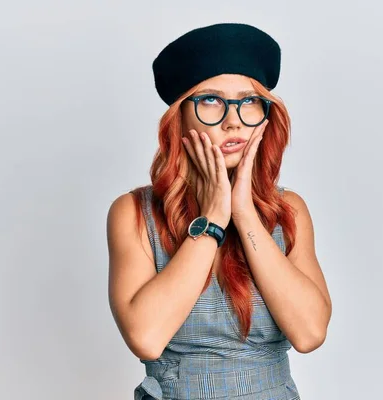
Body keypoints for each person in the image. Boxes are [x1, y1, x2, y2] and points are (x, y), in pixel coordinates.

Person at [106, 22, 332, 400]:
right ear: (179, 117)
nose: (233, 120)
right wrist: (213, 217)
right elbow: (146, 337)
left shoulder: (288, 211)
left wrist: (243, 212)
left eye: (248, 101)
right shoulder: (133, 214)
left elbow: (309, 333)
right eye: (210, 99)